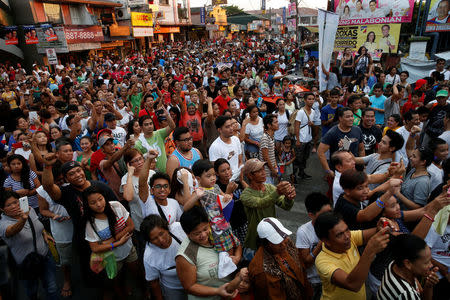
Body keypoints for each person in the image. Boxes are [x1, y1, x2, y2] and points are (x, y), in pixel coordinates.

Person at [314, 211, 391, 300]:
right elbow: (353, 285)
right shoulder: (322, 261)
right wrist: (369, 251)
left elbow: (376, 231)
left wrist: (382, 227)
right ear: (326, 241)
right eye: (339, 234)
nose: (347, 236)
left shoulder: (349, 238)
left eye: (347, 230)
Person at [175, 206, 248, 300]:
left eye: (205, 229)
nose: (204, 235)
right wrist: (217, 291)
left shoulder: (218, 231)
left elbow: (237, 244)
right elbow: (189, 286)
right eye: (197, 233)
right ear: (187, 233)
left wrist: (237, 257)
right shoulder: (185, 255)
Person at [0, 190, 59, 300]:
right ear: (2, 209)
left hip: (45, 256)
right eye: (9, 205)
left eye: (16, 202)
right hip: (26, 265)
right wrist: (23, 219)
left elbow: (37, 224)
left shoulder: (29, 210)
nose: (14, 206)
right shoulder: (3, 224)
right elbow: (11, 231)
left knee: (52, 287)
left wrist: (44, 233)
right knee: (32, 290)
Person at [82, 186, 137, 300]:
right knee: (116, 281)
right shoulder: (90, 223)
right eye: (93, 202)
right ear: (87, 204)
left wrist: (112, 240)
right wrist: (117, 243)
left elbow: (131, 226)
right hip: (111, 258)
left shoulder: (116, 206)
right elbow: (95, 248)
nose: (98, 204)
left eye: (100, 199)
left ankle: (145, 291)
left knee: (137, 272)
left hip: (129, 249)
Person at [240, 158, 296, 255]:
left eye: (263, 169)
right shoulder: (245, 195)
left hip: (273, 235)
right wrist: (278, 192)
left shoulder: (270, 188)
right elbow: (261, 203)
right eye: (259, 171)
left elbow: (285, 206)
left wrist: (289, 198)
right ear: (250, 175)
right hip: (255, 238)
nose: (263, 172)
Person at [249, 217, 312, 300]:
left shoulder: (287, 242)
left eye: (284, 236)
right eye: (277, 241)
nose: (283, 244)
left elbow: (301, 268)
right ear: (266, 244)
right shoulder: (262, 271)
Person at [37, 166, 74, 298]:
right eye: (56, 181)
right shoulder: (42, 190)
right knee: (65, 259)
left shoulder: (71, 183)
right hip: (61, 230)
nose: (60, 183)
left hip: (78, 226)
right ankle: (67, 280)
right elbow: (43, 210)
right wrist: (53, 216)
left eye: (61, 180)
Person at [377, 234, 440, 300]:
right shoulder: (407, 294)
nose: (431, 265)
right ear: (408, 263)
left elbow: (420, 293)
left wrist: (429, 285)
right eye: (426, 262)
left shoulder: (395, 264)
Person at [141, 215, 187, 300]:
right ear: (149, 241)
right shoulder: (149, 256)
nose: (161, 240)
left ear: (167, 228)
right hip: (174, 289)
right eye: (154, 239)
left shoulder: (179, 228)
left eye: (161, 233)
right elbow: (154, 282)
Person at [296, 193, 333, 300]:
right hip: (314, 281)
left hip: (330, 278)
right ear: (311, 215)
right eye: (324, 214)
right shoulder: (303, 232)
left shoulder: (335, 225)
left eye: (330, 212)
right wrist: (320, 246)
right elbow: (305, 262)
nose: (329, 217)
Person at [318, 107, 365, 178]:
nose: (351, 119)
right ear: (340, 118)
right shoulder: (332, 133)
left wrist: (362, 166)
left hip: (354, 170)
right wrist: (328, 170)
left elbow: (361, 149)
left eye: (352, 116)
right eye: (347, 117)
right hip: (338, 172)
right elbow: (320, 152)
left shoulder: (357, 130)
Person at [209, 116, 243, 181]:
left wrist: (240, 176)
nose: (231, 128)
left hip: (238, 178)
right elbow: (216, 169)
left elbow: (240, 160)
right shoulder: (215, 147)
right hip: (226, 182)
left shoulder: (236, 140)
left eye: (231, 125)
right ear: (220, 130)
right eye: (227, 127)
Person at [295, 92, 315, 180]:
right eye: (309, 99)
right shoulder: (301, 112)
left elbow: (312, 125)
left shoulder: (313, 111)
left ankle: (301, 173)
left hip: (308, 139)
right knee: (297, 158)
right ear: (305, 100)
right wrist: (298, 140)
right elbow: (297, 126)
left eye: (312, 99)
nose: (311, 101)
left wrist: (312, 124)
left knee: (304, 158)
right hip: (301, 139)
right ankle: (294, 175)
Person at [259, 114, 279, 184]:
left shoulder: (271, 137)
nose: (277, 124)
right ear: (269, 125)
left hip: (271, 171)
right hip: (266, 173)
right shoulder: (265, 138)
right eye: (275, 122)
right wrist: (273, 170)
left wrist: (275, 166)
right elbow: (266, 158)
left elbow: (272, 155)